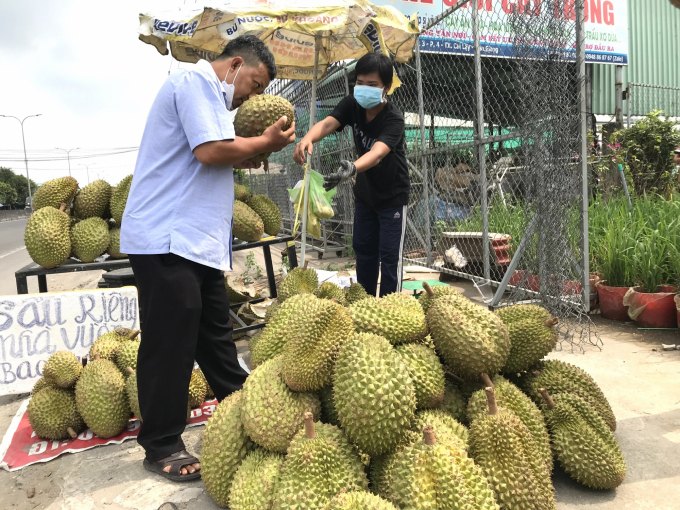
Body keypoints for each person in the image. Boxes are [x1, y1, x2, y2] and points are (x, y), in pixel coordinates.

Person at [120, 35, 295, 481]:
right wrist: (263, 144)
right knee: (170, 345)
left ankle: (249, 414)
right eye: (253, 84)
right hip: (166, 237)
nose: (250, 96)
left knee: (216, 338)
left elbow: (214, 156)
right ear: (235, 63)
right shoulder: (194, 82)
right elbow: (209, 151)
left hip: (194, 243)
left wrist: (253, 149)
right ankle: (160, 444)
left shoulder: (216, 107)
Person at [294, 52, 409, 297]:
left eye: (372, 84)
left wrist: (353, 167)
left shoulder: (394, 119)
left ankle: (390, 308)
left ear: (386, 88)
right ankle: (363, 304)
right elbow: (327, 124)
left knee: (390, 259)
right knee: (365, 253)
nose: (364, 88)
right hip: (366, 197)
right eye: (360, 82)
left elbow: (378, 152)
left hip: (392, 198)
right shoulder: (352, 105)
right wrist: (307, 138)